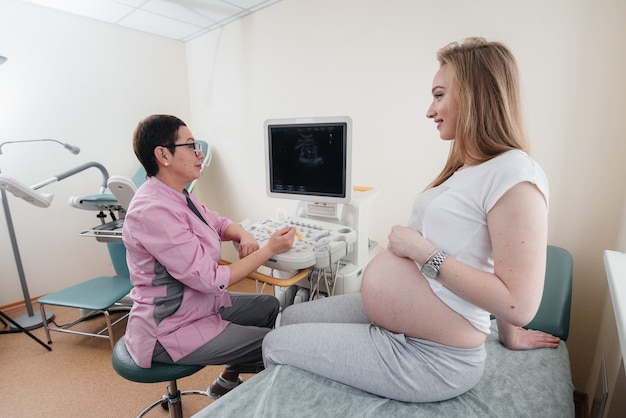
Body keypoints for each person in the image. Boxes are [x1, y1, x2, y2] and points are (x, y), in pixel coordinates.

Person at [262, 37, 561, 403]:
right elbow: (494, 255)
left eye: (438, 95)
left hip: (433, 356)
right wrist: (510, 334)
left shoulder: (516, 173)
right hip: (403, 321)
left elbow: (519, 302)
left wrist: (423, 252)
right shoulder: (470, 168)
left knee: (275, 342)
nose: (429, 110)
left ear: (474, 95)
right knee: (291, 318)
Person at [122, 114, 295, 399]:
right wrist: (269, 250)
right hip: (168, 329)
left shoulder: (177, 194)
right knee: (274, 343)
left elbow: (216, 223)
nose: (199, 153)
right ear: (163, 154)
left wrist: (243, 234)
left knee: (267, 305)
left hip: (193, 305)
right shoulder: (152, 210)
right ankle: (253, 402)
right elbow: (211, 279)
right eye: (191, 146)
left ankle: (226, 381)